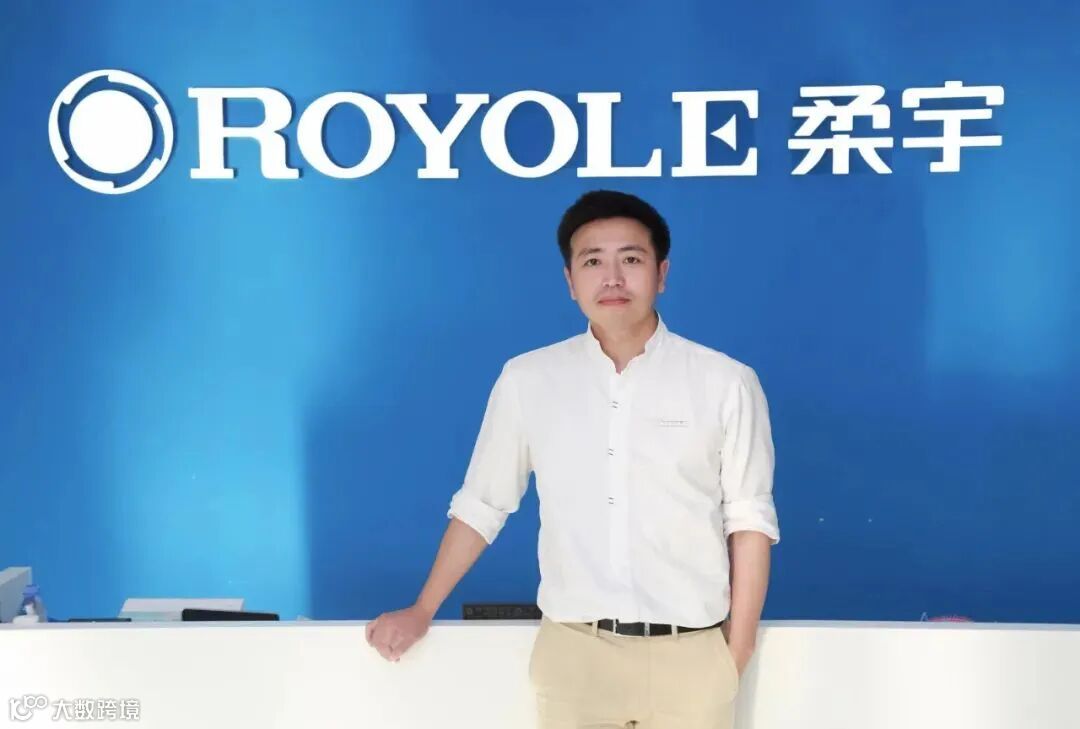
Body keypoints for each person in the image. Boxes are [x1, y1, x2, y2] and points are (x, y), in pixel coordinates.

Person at [366, 189, 780, 729]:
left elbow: (749, 522)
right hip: (574, 654)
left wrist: (736, 652)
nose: (613, 278)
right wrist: (423, 609)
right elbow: (483, 504)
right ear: (569, 280)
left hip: (692, 654)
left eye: (631, 259)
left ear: (661, 273)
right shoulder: (529, 379)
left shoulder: (726, 382)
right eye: (593, 262)